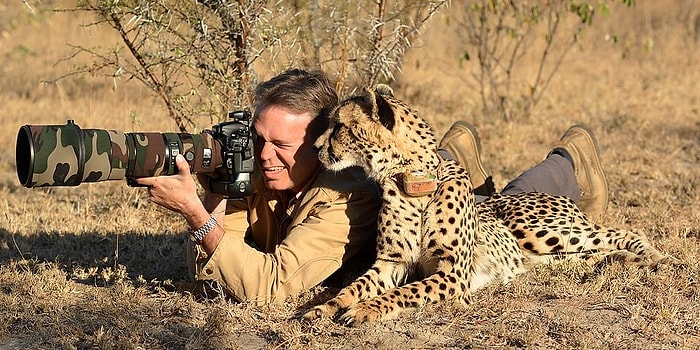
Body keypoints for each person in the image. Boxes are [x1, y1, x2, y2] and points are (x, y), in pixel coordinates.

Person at [137, 68, 609, 304]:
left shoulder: (345, 195)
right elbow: (219, 264)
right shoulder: (265, 166)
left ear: (318, 143)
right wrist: (220, 184)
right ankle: (456, 155)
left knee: (511, 208)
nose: (263, 156)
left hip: (432, 199)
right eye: (257, 140)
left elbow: (268, 286)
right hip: (410, 174)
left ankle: (570, 162)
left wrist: (197, 215)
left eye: (280, 144)